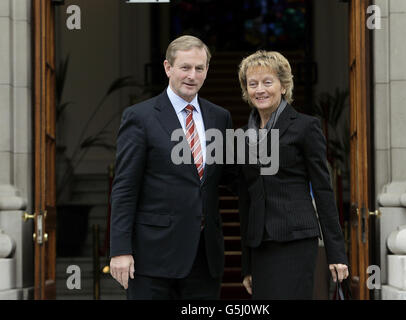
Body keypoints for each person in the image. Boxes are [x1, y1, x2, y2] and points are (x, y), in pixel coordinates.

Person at [109, 35, 233, 299]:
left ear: (207, 71)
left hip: (204, 257)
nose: (192, 75)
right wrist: (120, 249)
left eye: (199, 68)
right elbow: (124, 188)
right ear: (168, 68)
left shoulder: (220, 117)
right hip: (152, 258)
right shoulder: (140, 117)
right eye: (185, 67)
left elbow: (231, 178)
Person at [237, 50, 349, 299]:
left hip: (295, 240)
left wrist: (336, 254)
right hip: (261, 245)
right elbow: (246, 198)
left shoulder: (305, 127)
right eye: (252, 84)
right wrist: (247, 264)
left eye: (268, 82)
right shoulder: (243, 135)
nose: (260, 90)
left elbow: (323, 190)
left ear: (284, 86)